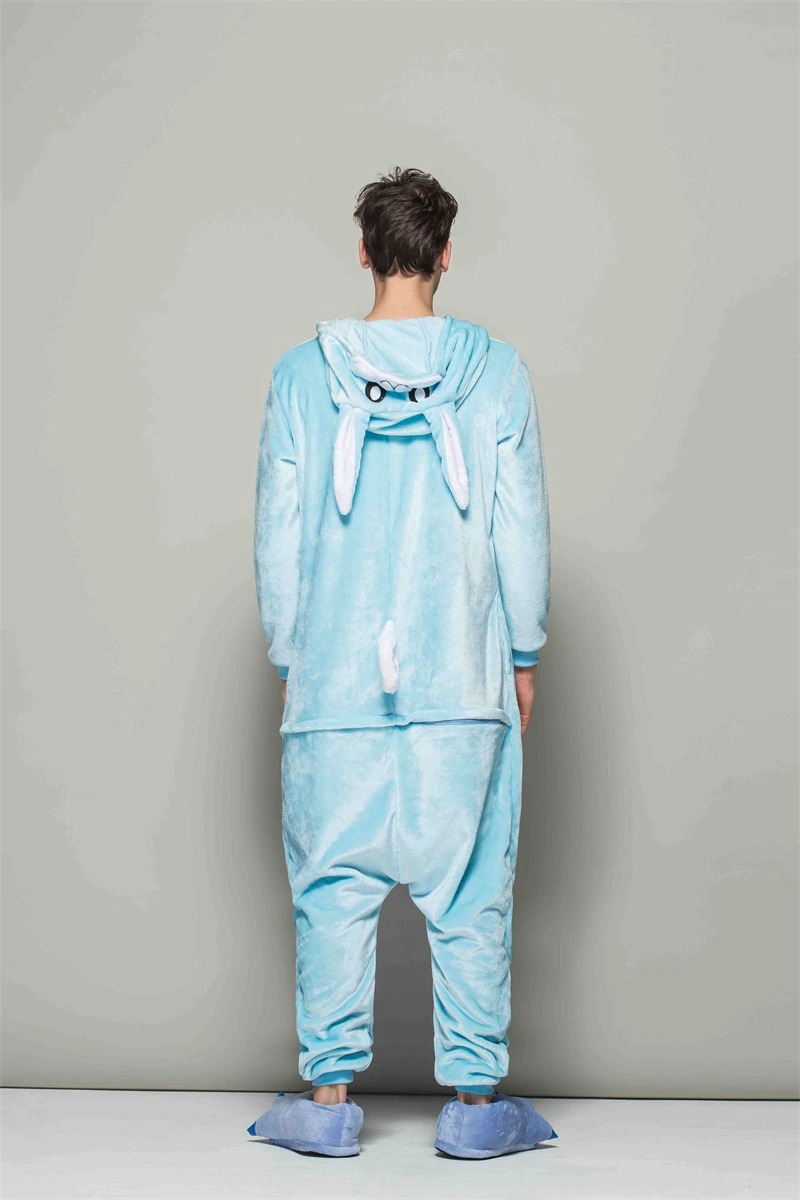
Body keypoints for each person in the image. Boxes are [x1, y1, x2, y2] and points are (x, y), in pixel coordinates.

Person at [247, 167, 557, 1159]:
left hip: (334, 688)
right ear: (445, 253)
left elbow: (277, 537)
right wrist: (520, 653)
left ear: (364, 251)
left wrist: (292, 656)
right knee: (470, 893)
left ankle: (326, 1103)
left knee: (330, 892)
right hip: (461, 682)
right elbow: (520, 527)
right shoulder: (497, 372)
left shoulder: (300, 376)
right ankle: (475, 1109)